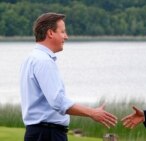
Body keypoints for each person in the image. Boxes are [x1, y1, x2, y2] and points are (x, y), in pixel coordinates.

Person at [20, 12, 117, 141]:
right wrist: (92, 113)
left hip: (38, 133)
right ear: (50, 33)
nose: (66, 36)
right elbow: (58, 101)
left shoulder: (31, 58)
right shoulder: (44, 61)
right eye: (63, 32)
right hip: (48, 134)